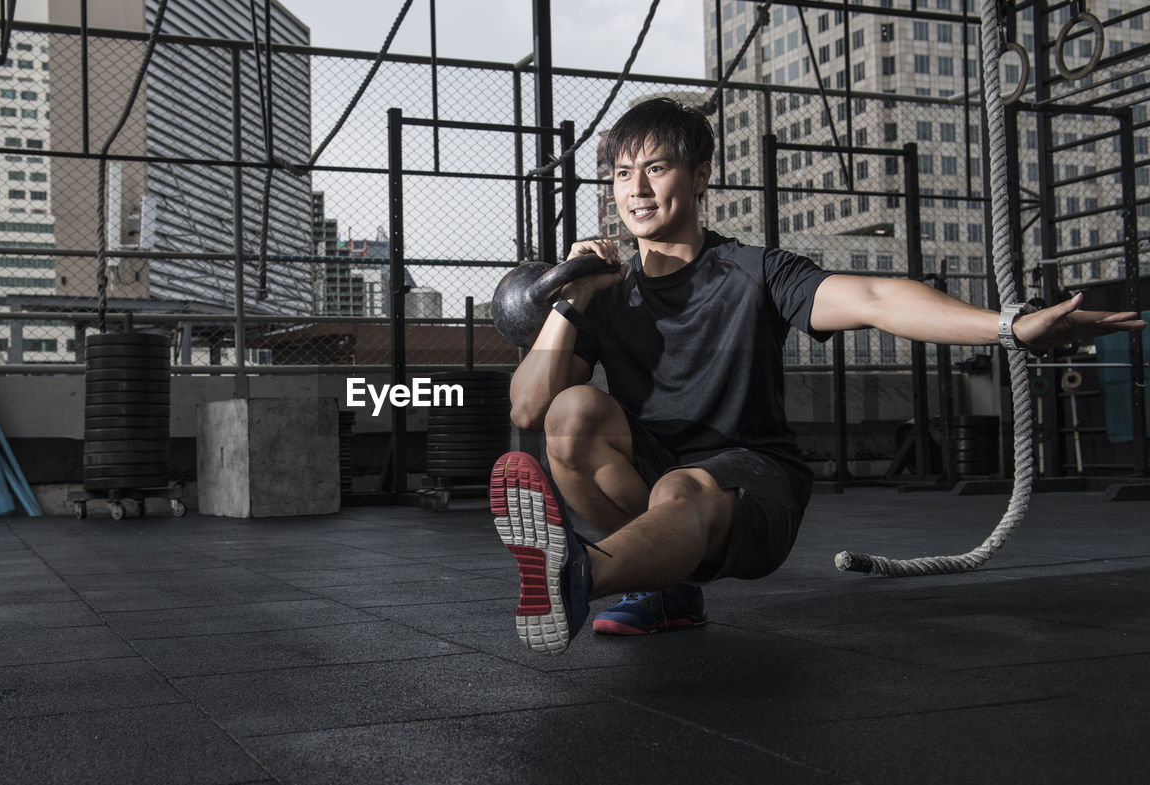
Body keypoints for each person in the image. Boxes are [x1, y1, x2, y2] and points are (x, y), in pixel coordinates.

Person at [490, 97, 1147, 656]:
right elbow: (529, 409)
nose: (635, 190)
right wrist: (570, 296)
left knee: (684, 489)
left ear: (699, 178)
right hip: (656, 468)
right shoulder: (604, 295)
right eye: (622, 173)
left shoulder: (755, 271)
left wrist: (1008, 326)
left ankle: (583, 575)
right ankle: (664, 588)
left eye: (656, 169)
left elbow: (877, 299)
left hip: (753, 480)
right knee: (571, 414)